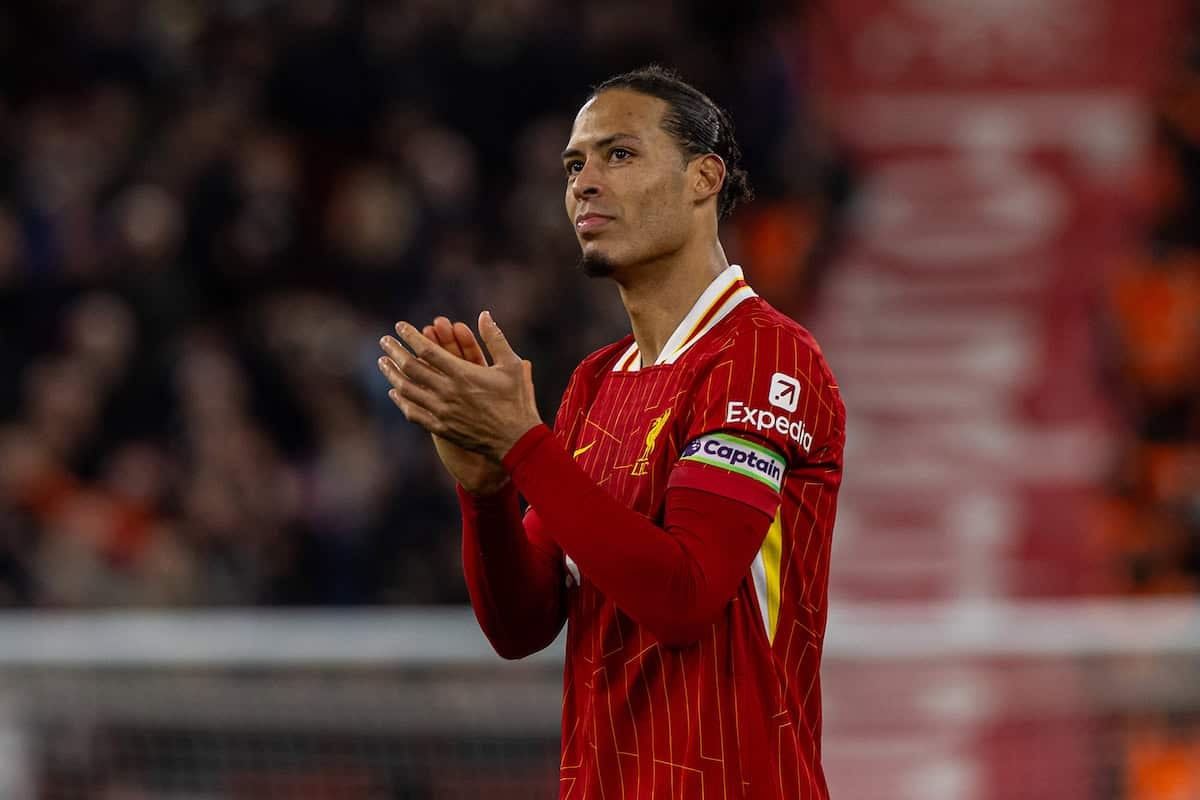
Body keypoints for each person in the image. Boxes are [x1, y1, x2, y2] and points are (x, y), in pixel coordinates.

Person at [378, 65, 845, 800]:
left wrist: (526, 445)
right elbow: (521, 625)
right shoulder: (596, 382)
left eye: (618, 154)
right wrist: (487, 489)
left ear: (703, 178)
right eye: (574, 164)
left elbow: (685, 596)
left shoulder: (763, 354)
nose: (583, 182)